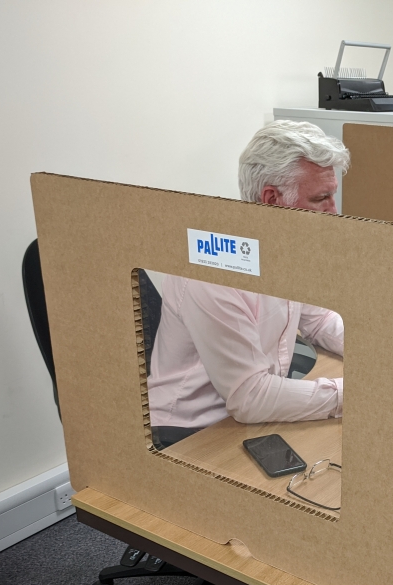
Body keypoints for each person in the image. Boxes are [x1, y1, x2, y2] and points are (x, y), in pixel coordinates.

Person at [147, 121, 350, 446]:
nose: (334, 212)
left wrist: (378, 351)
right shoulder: (212, 267)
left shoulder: (285, 246)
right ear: (271, 199)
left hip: (248, 413)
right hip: (188, 432)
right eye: (321, 198)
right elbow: (250, 397)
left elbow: (320, 319)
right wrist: (350, 394)